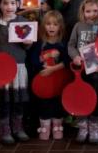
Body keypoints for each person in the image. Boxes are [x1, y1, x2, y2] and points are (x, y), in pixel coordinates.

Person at [0, 0, 33, 145]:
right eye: (5, 3)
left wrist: (28, 42)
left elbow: (27, 47)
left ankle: (17, 127)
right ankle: (4, 128)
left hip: (18, 67)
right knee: (2, 100)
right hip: (0, 69)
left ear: (18, 4)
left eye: (13, 3)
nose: (9, 6)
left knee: (18, 100)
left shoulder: (22, 22)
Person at [67, 0, 98, 144]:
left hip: (96, 68)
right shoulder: (78, 26)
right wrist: (75, 56)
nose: (92, 14)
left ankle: (95, 128)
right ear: (83, 12)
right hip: (80, 69)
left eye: (95, 11)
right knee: (81, 96)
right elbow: (71, 45)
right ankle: (82, 126)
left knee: (95, 97)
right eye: (88, 11)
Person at [28, 10, 71, 140]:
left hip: (59, 80)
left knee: (58, 102)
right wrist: (46, 56)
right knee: (44, 102)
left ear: (60, 27)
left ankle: (57, 125)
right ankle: (45, 126)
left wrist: (53, 68)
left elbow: (68, 61)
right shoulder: (39, 43)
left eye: (55, 24)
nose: (51, 27)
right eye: (48, 24)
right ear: (43, 26)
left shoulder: (63, 43)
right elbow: (33, 61)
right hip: (43, 81)